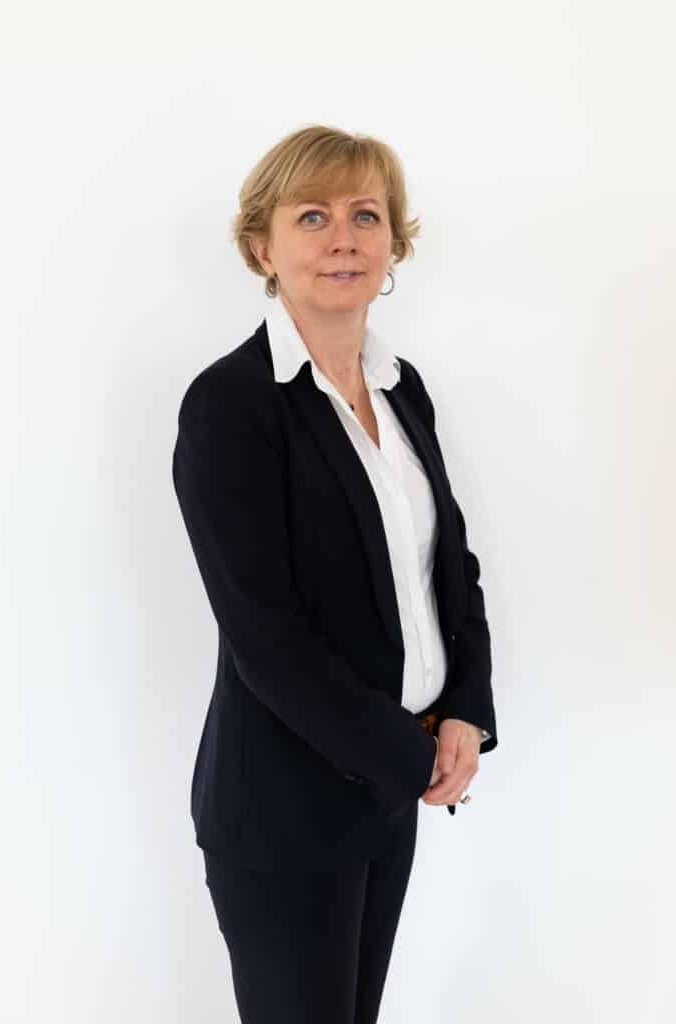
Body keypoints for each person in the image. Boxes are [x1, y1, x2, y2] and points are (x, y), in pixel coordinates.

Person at [171, 123, 498, 1024]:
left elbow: (449, 568)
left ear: (394, 242)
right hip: (284, 805)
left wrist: (465, 710)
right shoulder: (231, 403)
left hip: (390, 787)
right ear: (261, 248)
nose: (343, 238)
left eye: (365, 215)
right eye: (311, 217)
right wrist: (410, 757)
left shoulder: (400, 388)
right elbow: (264, 636)